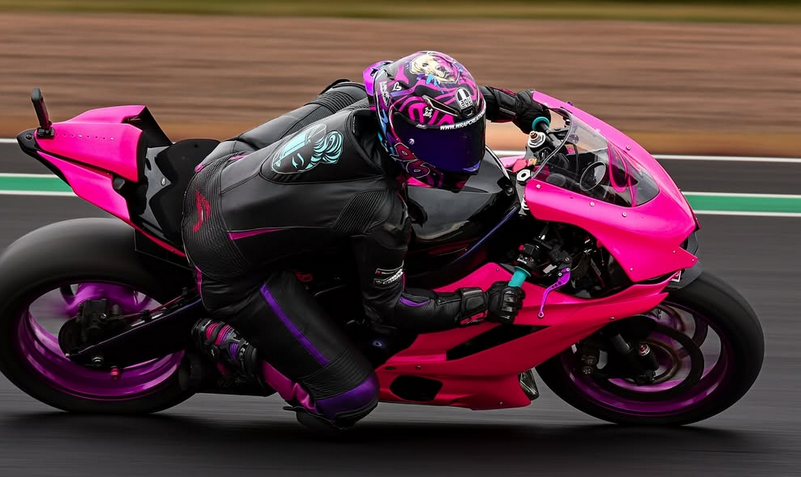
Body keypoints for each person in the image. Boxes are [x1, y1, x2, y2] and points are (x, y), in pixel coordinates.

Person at [182, 51, 548, 429]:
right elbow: (390, 309)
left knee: (347, 92)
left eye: (465, 137)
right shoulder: (379, 212)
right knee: (348, 398)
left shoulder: (378, 103)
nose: (464, 151)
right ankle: (227, 340)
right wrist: (482, 304)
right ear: (405, 139)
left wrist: (516, 106)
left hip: (224, 165)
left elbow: (443, 101)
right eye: (447, 145)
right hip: (226, 260)